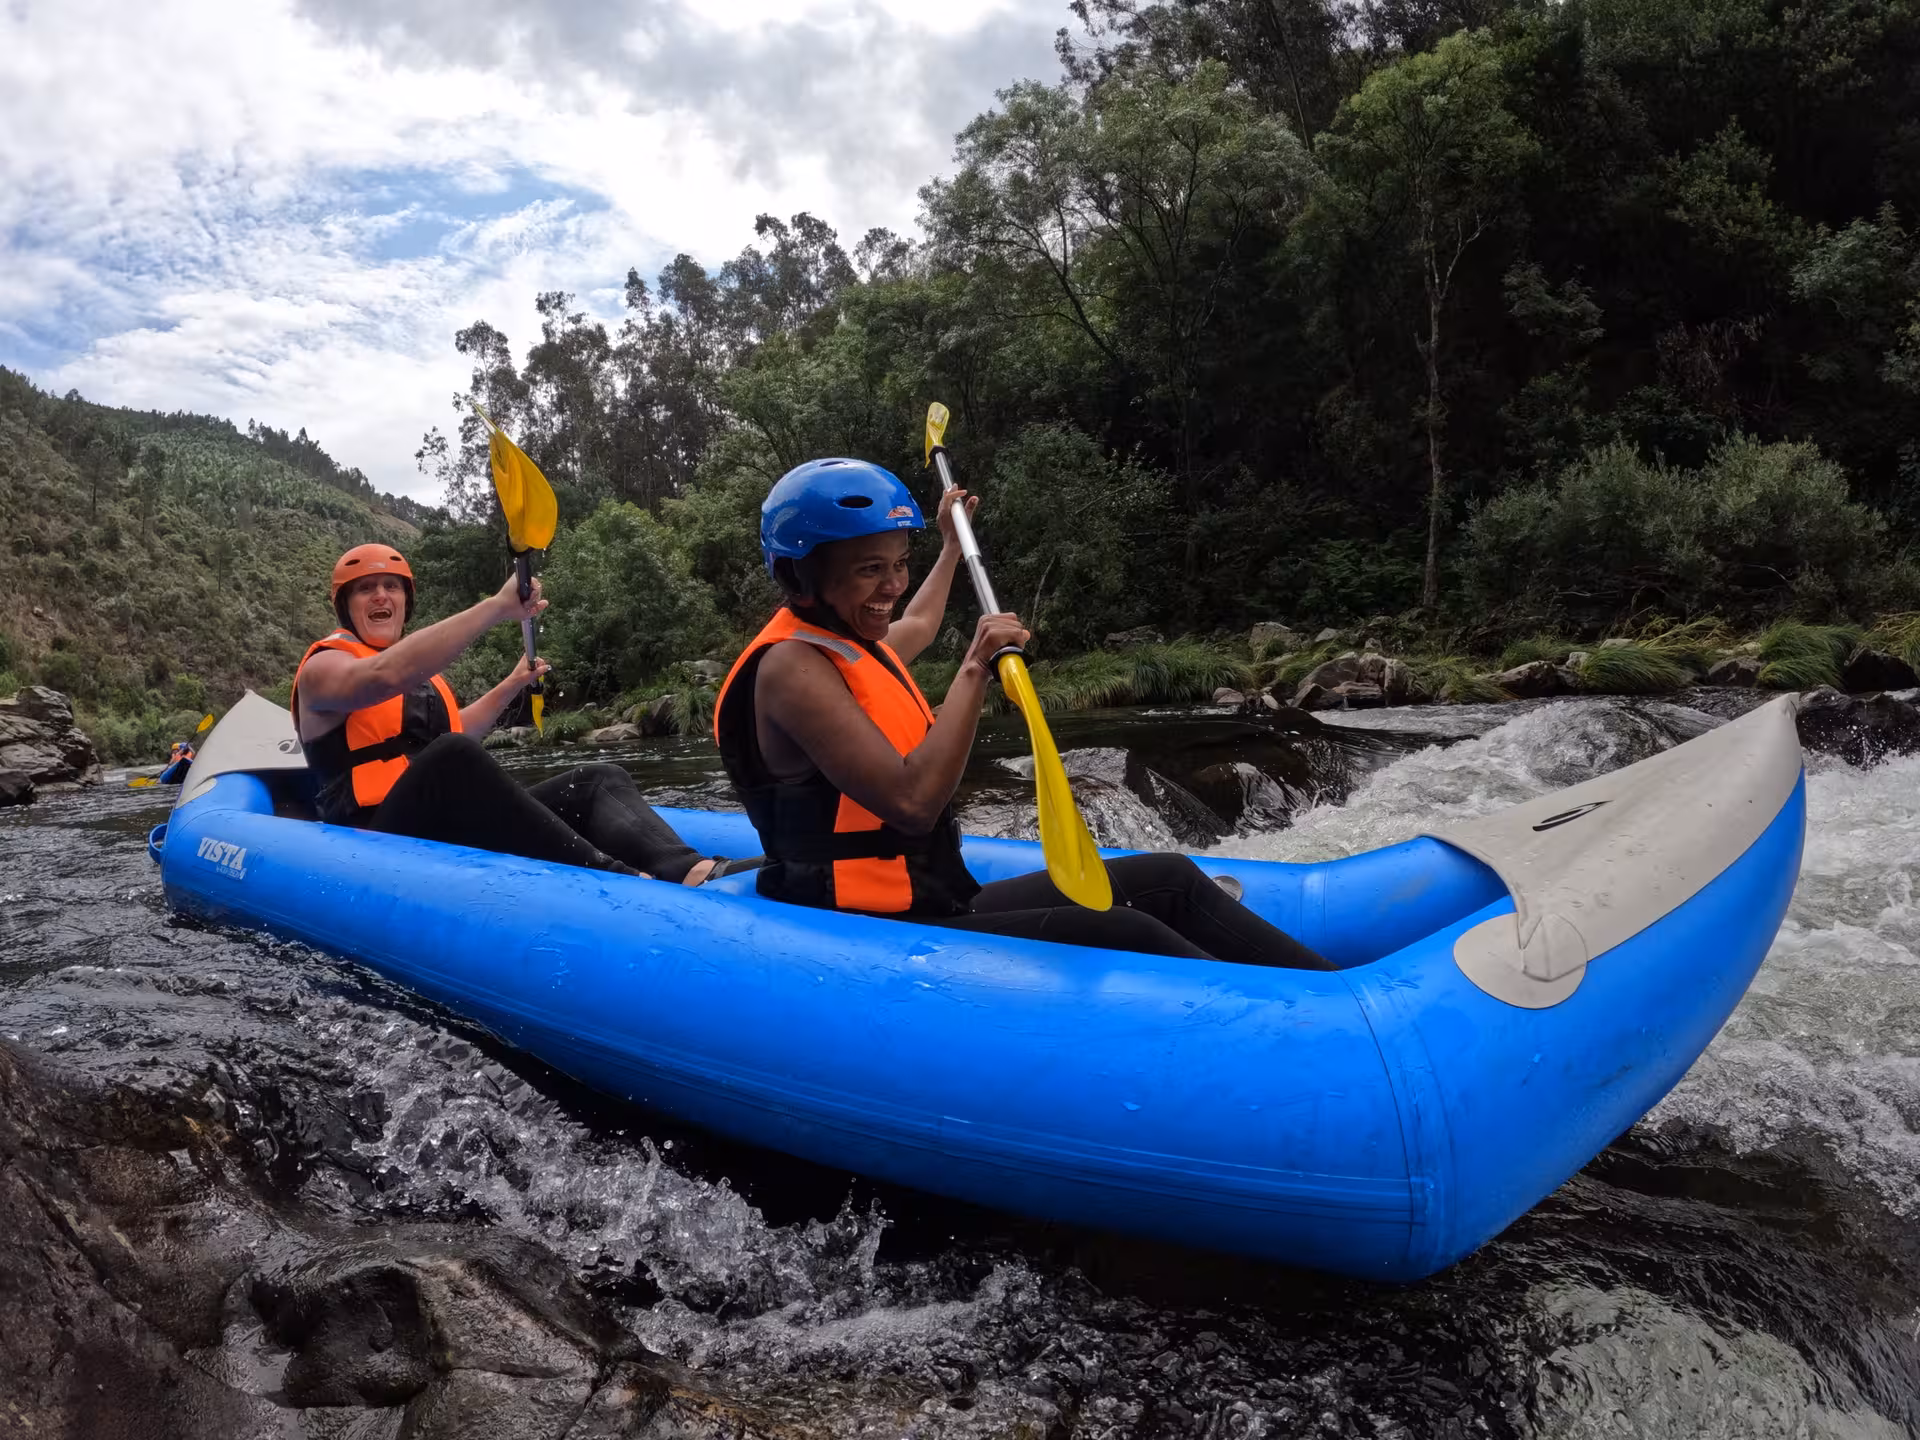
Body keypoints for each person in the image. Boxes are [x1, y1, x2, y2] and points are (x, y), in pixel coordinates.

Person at [713, 459, 1332, 969]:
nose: (892, 586)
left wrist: (952, 549)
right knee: (1130, 934)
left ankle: (1333, 991)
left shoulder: (850, 643)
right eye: (869, 569)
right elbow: (911, 801)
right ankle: (1303, 1034)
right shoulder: (791, 669)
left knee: (1167, 878)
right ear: (801, 576)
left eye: (899, 563)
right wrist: (976, 668)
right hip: (871, 925)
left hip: (927, 895)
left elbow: (921, 624)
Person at [292, 543, 751, 885]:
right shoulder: (323, 669)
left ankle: (691, 870)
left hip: (437, 825)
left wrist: (512, 684)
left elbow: (459, 733)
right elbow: (387, 678)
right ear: (345, 605)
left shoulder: (427, 682)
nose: (381, 596)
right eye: (366, 589)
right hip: (372, 838)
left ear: (405, 602)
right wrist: (495, 608)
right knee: (451, 756)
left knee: (596, 780)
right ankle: (619, 878)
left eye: (391, 587)